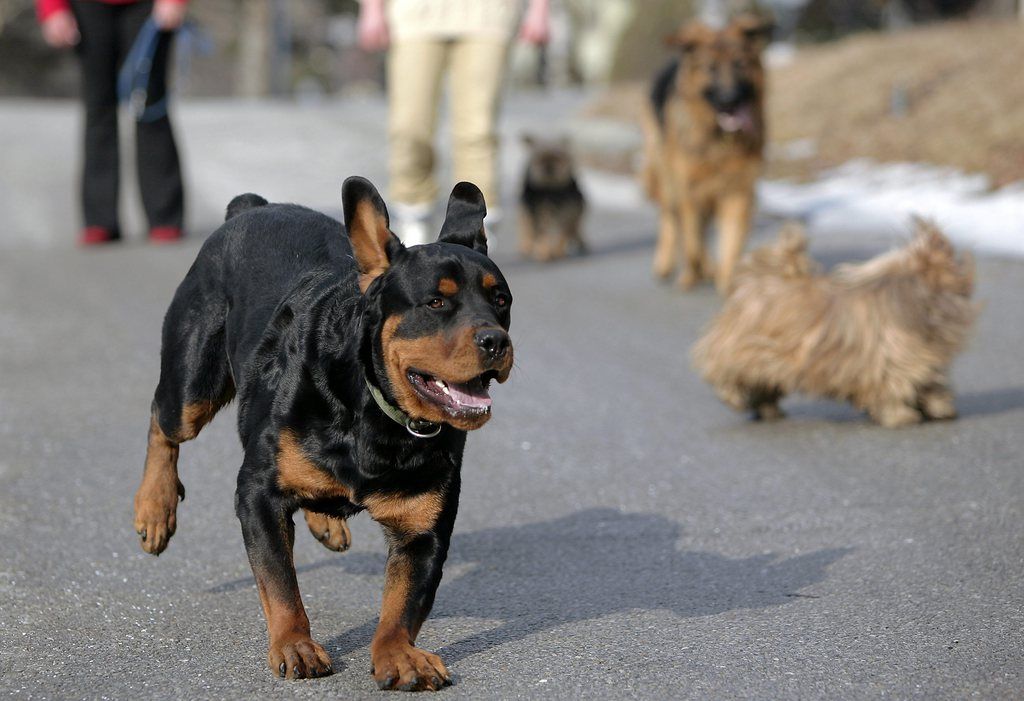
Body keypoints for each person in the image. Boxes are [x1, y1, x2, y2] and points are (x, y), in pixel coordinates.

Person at [358, 0, 550, 245]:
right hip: (413, 14)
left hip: (489, 14)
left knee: (477, 131)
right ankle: (414, 216)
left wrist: (539, 9)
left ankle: (475, 228)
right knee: (410, 129)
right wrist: (371, 8)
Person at [37, 0, 188, 245]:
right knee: (98, 107)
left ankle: (164, 216)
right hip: (88, 8)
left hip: (146, 6)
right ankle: (100, 219)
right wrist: (52, 9)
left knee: (149, 104)